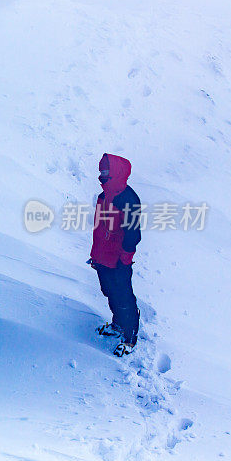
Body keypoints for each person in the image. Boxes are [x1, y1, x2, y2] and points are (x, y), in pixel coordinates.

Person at [88, 153, 142, 356]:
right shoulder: (103, 197)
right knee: (108, 291)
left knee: (124, 296)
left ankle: (130, 335)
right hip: (103, 257)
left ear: (116, 173)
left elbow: (133, 232)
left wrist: (125, 258)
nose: (101, 175)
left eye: (106, 171)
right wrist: (95, 254)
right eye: (101, 171)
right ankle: (118, 324)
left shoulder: (129, 199)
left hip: (119, 259)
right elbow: (98, 228)